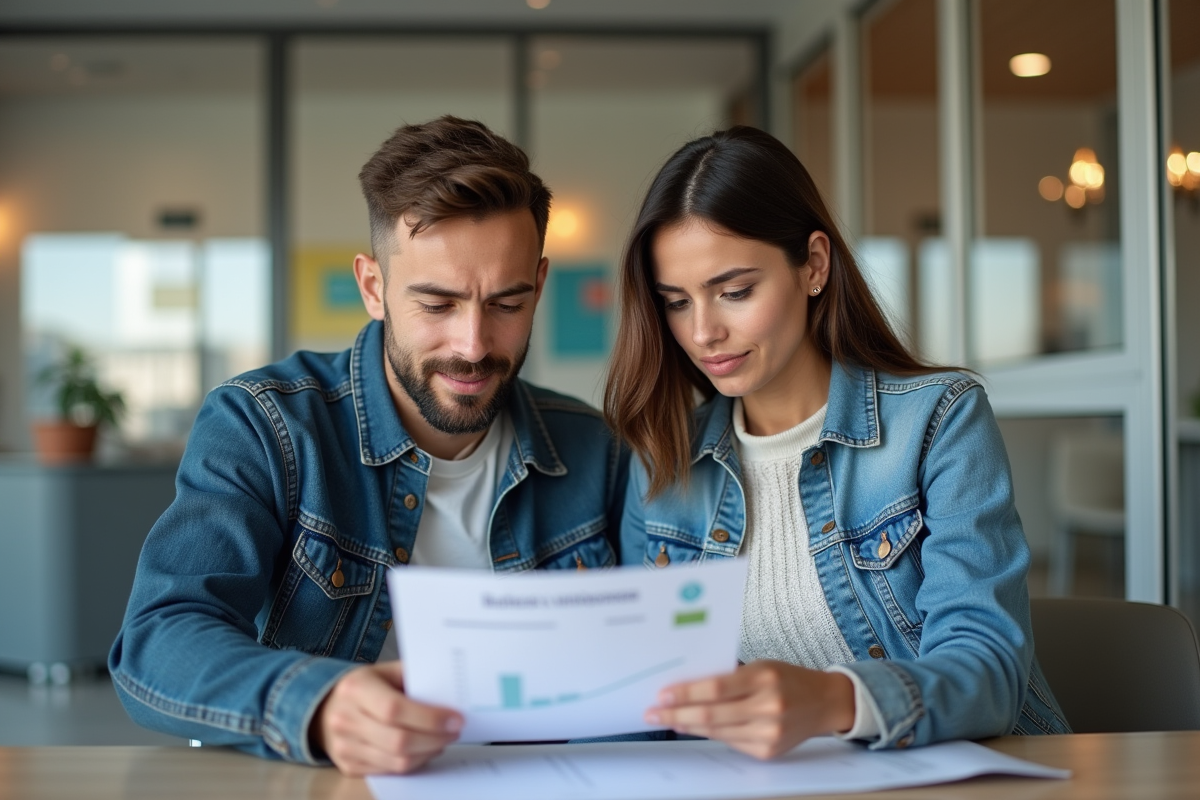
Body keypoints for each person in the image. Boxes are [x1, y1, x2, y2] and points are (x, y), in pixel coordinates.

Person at [110, 116, 628, 776]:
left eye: (506, 303)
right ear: (373, 288)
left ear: (540, 285)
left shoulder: (596, 448)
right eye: (437, 305)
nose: (473, 345)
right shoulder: (265, 426)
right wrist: (319, 704)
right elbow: (159, 638)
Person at [604, 126, 1070, 758]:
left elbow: (988, 670)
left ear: (814, 265)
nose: (704, 331)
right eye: (676, 302)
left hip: (964, 773)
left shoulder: (938, 420)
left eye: (735, 292)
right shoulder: (664, 458)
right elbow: (647, 691)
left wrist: (831, 700)